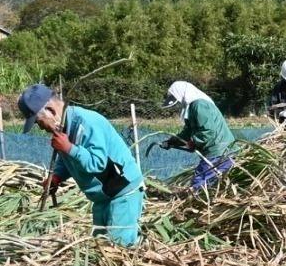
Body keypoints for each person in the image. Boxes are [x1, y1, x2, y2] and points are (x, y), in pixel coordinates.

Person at [17, 82, 145, 246]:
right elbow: (67, 160)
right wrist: (57, 177)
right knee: (100, 248)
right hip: (102, 198)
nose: (41, 127)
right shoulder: (63, 128)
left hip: (122, 194)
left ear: (50, 111)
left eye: (38, 121)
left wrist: (69, 148)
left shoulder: (86, 122)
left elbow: (98, 162)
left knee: (118, 250)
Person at [160, 81, 238, 191]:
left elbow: (208, 131)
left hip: (219, 151)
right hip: (219, 151)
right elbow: (188, 132)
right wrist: (172, 141)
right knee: (213, 185)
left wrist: (193, 142)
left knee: (199, 183)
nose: (178, 105)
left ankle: (200, 205)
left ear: (182, 94)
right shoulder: (192, 107)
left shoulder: (199, 105)